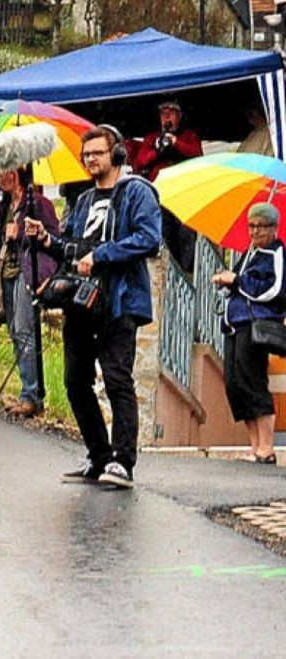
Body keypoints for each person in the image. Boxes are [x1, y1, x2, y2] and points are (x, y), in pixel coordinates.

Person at [25, 125, 161, 489]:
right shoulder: (83, 201)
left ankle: (123, 462)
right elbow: (72, 248)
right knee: (74, 381)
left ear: (116, 153)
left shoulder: (137, 193)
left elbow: (149, 239)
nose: (91, 161)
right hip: (83, 302)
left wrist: (101, 255)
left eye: (97, 153)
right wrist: (45, 239)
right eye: (86, 155)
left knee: (118, 379)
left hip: (119, 301)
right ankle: (99, 455)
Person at [0, 166, 59, 417]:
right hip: (7, 273)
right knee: (15, 331)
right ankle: (29, 392)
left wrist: (22, 236)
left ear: (16, 173)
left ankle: (31, 395)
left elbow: (53, 239)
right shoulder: (3, 206)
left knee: (25, 331)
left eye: (3, 171)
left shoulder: (37, 204)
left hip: (28, 273)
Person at [213, 203, 285, 465]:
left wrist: (238, 281)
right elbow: (237, 286)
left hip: (255, 327)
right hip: (234, 325)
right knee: (235, 384)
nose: (254, 231)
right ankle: (254, 445)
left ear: (274, 228)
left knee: (253, 382)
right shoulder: (248, 253)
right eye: (251, 226)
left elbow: (274, 290)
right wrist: (226, 282)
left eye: (260, 226)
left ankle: (266, 447)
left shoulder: (276, 254)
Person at [131, 101, 202, 273]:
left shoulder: (189, 136)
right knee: (163, 235)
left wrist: (176, 143)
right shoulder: (151, 138)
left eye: (171, 113)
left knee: (186, 237)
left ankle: (188, 274)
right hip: (159, 197)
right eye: (163, 114)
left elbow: (197, 155)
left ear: (180, 116)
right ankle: (167, 272)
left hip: (184, 195)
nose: (167, 117)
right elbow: (139, 162)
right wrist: (157, 148)